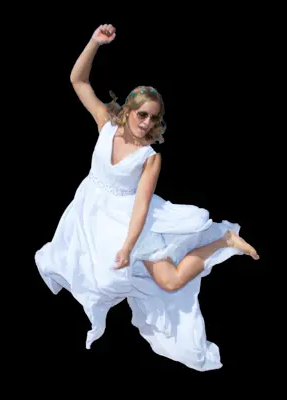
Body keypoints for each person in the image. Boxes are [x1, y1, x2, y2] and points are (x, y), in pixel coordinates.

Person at [35, 24, 259, 371]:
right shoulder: (106, 124)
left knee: (169, 282)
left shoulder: (149, 156)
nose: (146, 122)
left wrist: (127, 246)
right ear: (128, 110)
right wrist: (94, 43)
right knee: (73, 268)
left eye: (153, 118)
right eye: (142, 114)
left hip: (130, 221)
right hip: (91, 210)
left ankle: (223, 240)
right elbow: (79, 81)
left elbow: (140, 206)